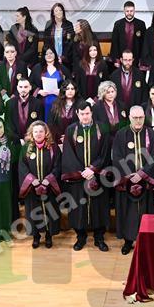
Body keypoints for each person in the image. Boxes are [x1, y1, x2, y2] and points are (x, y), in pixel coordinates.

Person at [61, 102, 112, 251]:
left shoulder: (102, 128)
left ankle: (99, 237)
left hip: (97, 176)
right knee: (79, 207)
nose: (85, 116)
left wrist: (93, 169)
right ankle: (80, 237)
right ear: (77, 114)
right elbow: (68, 154)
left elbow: (105, 152)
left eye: (87, 113)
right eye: (82, 114)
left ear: (92, 113)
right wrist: (82, 172)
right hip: (79, 177)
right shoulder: (71, 130)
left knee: (99, 206)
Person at [113, 105, 154, 255]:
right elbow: (117, 157)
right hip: (127, 182)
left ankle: (145, 239)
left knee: (145, 211)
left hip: (145, 181)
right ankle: (128, 241)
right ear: (129, 118)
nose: (138, 121)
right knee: (128, 212)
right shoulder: (121, 134)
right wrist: (130, 176)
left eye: (141, 118)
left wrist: (142, 174)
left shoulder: (151, 134)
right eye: (135, 118)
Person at [19, 120, 62, 249]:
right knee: (34, 212)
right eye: (36, 131)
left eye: (41, 131)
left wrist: (49, 179)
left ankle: (49, 235)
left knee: (49, 211)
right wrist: (32, 180)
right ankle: (36, 236)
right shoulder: (26, 148)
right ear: (32, 133)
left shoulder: (53, 148)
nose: (38, 134)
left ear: (46, 133)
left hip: (49, 187)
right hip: (32, 188)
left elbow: (58, 165)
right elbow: (22, 166)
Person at [31, 46, 69, 119]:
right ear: (43, 56)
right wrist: (39, 91)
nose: (49, 55)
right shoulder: (37, 68)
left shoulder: (62, 68)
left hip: (59, 102)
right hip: (42, 101)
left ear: (55, 54)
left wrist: (61, 91)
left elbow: (70, 83)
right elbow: (30, 84)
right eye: (46, 54)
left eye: (51, 53)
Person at [110, 1, 147, 67]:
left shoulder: (141, 24)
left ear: (134, 11)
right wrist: (116, 60)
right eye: (127, 11)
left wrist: (142, 59)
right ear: (124, 11)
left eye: (131, 11)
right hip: (122, 58)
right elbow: (115, 43)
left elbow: (144, 43)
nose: (129, 13)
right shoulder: (118, 24)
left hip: (136, 58)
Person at [43, 2, 75, 69]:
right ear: (53, 13)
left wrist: (62, 58)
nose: (59, 12)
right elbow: (46, 42)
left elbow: (70, 43)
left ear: (63, 12)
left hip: (66, 59)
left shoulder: (69, 24)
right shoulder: (49, 24)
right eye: (56, 11)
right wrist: (52, 56)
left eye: (60, 10)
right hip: (51, 58)